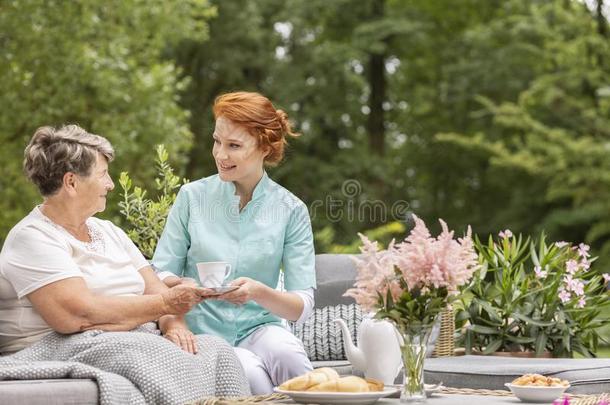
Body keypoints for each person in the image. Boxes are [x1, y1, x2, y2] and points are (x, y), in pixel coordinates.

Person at [0, 125, 250, 402]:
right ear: (71, 182)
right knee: (148, 354)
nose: (110, 184)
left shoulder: (108, 232)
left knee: (216, 349)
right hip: (55, 345)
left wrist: (174, 324)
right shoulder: (32, 238)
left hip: (126, 337)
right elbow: (78, 316)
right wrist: (166, 305)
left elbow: (157, 292)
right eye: (103, 174)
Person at [153, 91, 316, 394]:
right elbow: (160, 271)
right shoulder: (192, 198)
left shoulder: (291, 209)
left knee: (289, 356)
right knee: (248, 371)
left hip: (261, 327)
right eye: (217, 141)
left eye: (234, 146)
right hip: (204, 331)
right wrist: (182, 283)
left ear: (265, 148)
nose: (219, 154)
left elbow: (300, 306)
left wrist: (259, 291)